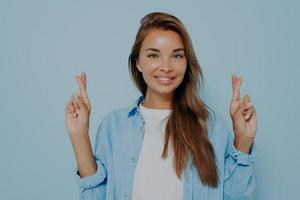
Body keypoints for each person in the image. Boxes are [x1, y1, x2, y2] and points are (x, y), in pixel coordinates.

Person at [65, 12, 257, 200]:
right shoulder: (114, 126)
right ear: (138, 62)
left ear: (186, 63)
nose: (166, 66)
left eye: (177, 56)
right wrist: (79, 136)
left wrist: (244, 139)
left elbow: (235, 196)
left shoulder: (211, 126)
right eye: (153, 55)